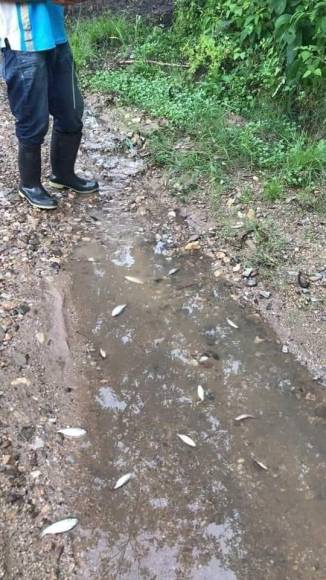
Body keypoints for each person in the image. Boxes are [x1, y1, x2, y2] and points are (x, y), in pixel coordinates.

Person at [0, 0, 98, 210]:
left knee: (71, 112)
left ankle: (63, 175)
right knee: (33, 120)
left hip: (57, 39)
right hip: (22, 45)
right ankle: (30, 185)